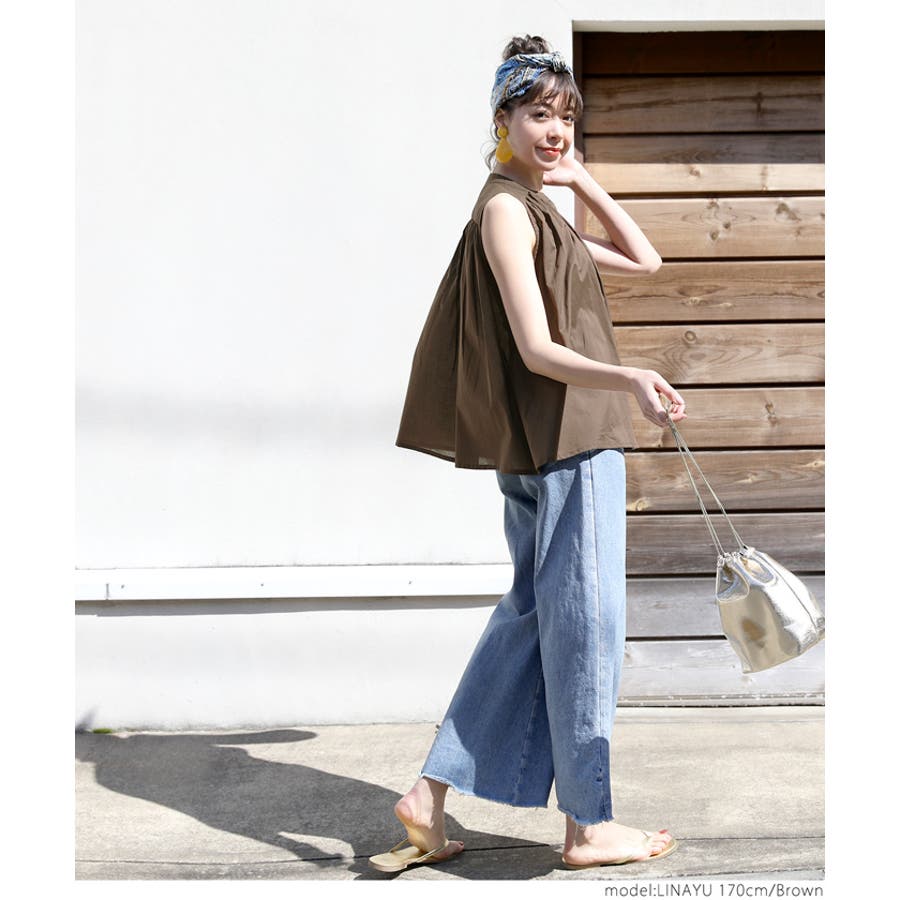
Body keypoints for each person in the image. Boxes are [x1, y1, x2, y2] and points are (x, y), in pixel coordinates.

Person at [371, 34, 686, 874]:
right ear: (502, 119)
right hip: (570, 446)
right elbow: (538, 349)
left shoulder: (540, 209)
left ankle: (429, 795)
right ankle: (588, 826)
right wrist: (630, 377)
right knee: (587, 627)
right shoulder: (507, 211)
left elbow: (647, 260)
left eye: (567, 117)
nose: (555, 130)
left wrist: (581, 179)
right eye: (540, 114)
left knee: (534, 618)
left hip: (548, 449)